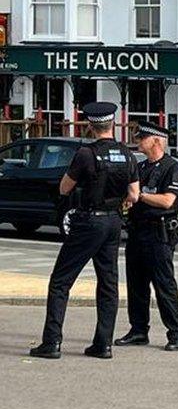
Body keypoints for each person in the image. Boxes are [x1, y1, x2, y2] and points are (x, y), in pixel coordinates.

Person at [29, 102, 139, 360]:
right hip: (114, 221)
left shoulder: (85, 154)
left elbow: (64, 188)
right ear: (112, 124)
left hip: (89, 220)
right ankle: (103, 344)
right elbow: (134, 194)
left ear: (90, 126)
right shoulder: (127, 154)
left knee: (60, 281)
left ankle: (52, 342)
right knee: (108, 283)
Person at [115, 122, 178, 352]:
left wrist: (140, 196)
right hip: (137, 231)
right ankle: (138, 330)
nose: (139, 141)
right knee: (136, 285)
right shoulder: (141, 167)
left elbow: (167, 200)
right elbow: (130, 195)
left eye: (142, 138)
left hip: (159, 233)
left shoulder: (172, 168)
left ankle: (175, 333)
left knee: (164, 285)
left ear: (156, 140)